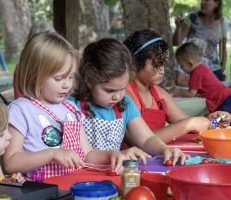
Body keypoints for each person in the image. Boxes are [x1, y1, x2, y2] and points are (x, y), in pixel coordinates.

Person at [3, 32, 128, 182]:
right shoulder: (21, 109)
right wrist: (51, 154)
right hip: (43, 190)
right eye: (59, 78)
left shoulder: (70, 108)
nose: (67, 84)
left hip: (75, 185)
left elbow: (87, 154)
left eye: (70, 77)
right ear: (35, 75)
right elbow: (10, 163)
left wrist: (109, 155)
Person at [69, 38, 189, 166]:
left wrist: (165, 149)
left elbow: (147, 139)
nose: (117, 97)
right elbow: (85, 154)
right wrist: (116, 155)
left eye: (123, 89)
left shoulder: (125, 104)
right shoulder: (71, 107)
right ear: (89, 80)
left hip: (112, 173)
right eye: (109, 90)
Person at [122, 29, 229, 144]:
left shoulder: (159, 94)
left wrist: (214, 121)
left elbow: (192, 126)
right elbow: (138, 141)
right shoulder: (124, 95)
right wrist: (189, 124)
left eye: (163, 63)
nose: (162, 70)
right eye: (157, 64)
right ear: (135, 63)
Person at [172, 0, 228, 81]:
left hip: (214, 70)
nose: (203, 2)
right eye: (202, 0)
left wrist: (222, 67)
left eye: (207, 0)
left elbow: (223, 47)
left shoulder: (223, 22)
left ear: (217, 3)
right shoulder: (192, 17)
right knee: (192, 92)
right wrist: (178, 28)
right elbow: (176, 42)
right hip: (192, 67)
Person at [171, 42, 231, 113]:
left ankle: (210, 124)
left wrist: (176, 91)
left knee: (220, 120)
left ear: (190, 63)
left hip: (223, 99)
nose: (181, 68)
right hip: (226, 95)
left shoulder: (196, 73)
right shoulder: (202, 68)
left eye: (182, 65)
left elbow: (191, 93)